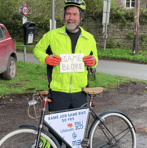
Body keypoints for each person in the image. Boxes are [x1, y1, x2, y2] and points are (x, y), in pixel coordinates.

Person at [33, 0, 98, 147]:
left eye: (75, 14)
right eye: (68, 13)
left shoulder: (89, 38)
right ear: (64, 16)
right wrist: (46, 58)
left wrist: (93, 61)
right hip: (58, 92)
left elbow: (95, 59)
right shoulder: (52, 35)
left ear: (81, 17)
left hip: (80, 92)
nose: (71, 17)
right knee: (55, 135)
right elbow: (37, 49)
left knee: (75, 136)